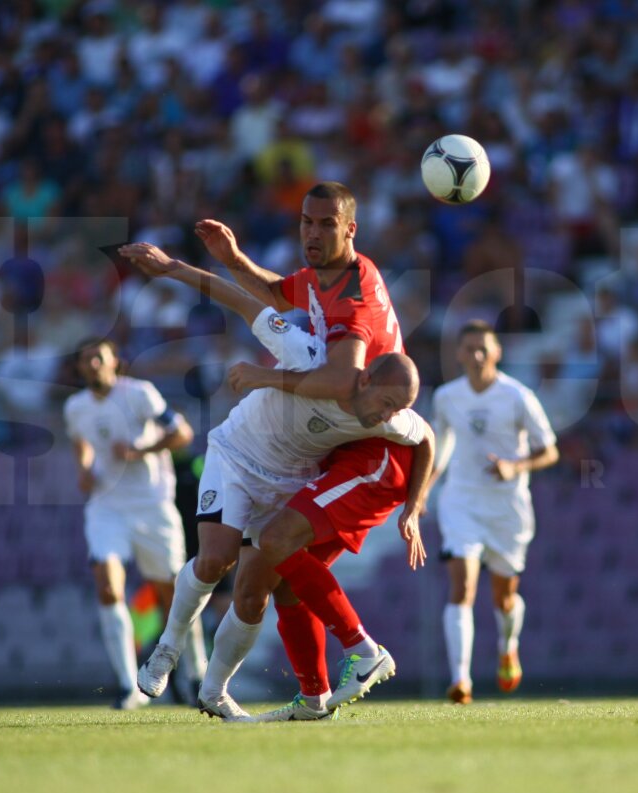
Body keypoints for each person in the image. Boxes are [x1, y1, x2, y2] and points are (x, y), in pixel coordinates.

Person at [122, 234, 432, 721]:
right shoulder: (304, 349)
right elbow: (244, 301)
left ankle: (215, 691)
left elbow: (424, 439)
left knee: (254, 591)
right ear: (365, 379)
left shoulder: (386, 415)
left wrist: (413, 507)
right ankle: (167, 646)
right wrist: (170, 267)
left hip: (289, 480)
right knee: (215, 561)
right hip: (236, 455)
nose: (387, 417)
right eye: (386, 404)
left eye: (397, 409)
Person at [63, 337, 204, 710]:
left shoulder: (141, 394)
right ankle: (130, 687)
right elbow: (81, 442)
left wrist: (141, 451)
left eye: (99, 357)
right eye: (86, 359)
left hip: (152, 505)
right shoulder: (75, 406)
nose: (93, 364)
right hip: (107, 506)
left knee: (172, 595)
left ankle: (196, 673)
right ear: (78, 367)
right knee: (108, 586)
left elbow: (182, 433)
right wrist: (83, 469)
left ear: (115, 362)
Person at [429, 320, 558, 705]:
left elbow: (548, 450)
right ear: (458, 354)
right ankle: (460, 680)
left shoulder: (518, 396)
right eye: (469, 348)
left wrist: (514, 466)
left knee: (503, 599)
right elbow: (443, 446)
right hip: (462, 501)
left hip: (507, 507)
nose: (477, 355)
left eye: (484, 348)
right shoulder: (447, 396)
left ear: (498, 352)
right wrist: (424, 491)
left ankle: (507, 644)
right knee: (462, 587)